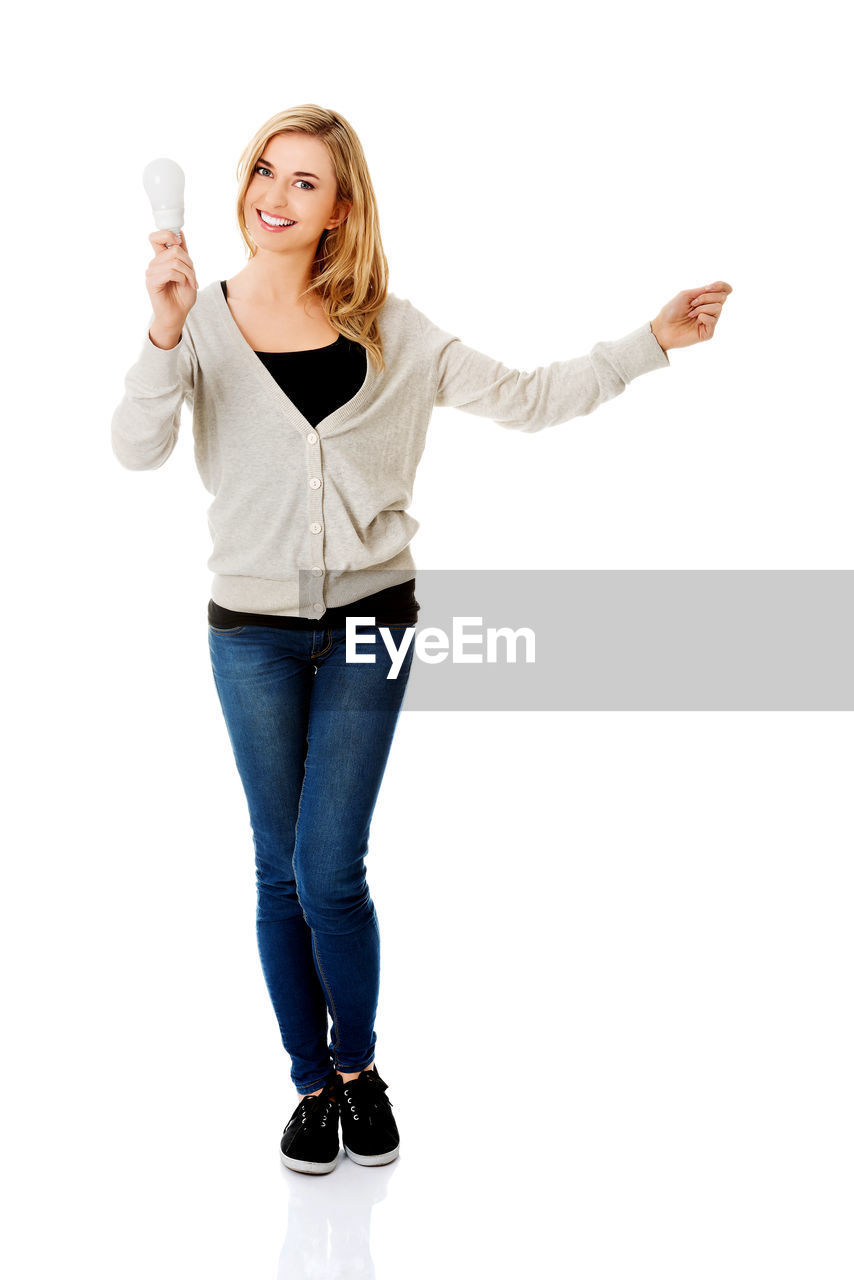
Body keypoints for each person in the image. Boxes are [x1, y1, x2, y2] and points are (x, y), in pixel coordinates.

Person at [111, 103, 732, 1177]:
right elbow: (134, 448)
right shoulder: (200, 319)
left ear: (340, 207)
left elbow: (529, 398)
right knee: (276, 870)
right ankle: (310, 1084)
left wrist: (647, 343)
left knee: (327, 866)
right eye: (266, 170)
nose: (275, 193)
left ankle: (358, 1065)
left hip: (369, 617)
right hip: (249, 631)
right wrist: (162, 332)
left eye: (305, 181)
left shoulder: (395, 330)